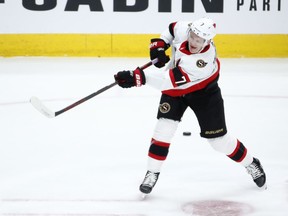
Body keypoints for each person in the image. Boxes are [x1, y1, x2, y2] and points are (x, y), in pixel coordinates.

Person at [114, 17, 267, 195]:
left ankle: (251, 163)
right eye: (193, 36)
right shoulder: (184, 28)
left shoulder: (201, 62)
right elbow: (171, 30)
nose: (194, 42)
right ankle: (152, 172)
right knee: (163, 129)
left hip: (204, 93)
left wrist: (137, 77)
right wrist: (160, 45)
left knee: (219, 142)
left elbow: (167, 82)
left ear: (208, 41)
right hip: (175, 91)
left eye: (200, 40)